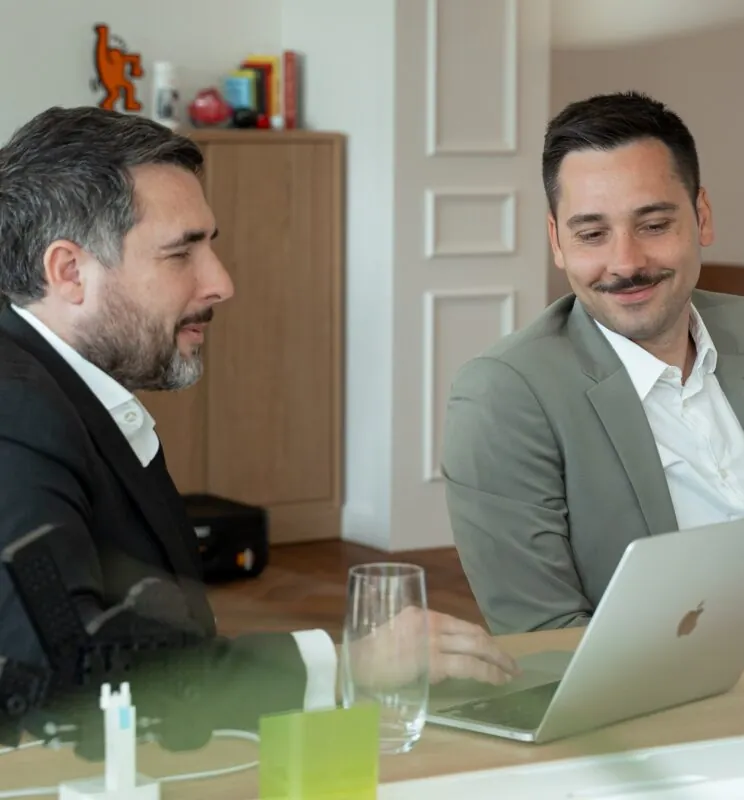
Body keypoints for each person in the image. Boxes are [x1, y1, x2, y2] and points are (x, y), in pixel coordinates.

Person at [0, 106, 518, 731]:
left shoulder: (55, 393)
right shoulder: (16, 413)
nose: (221, 282)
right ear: (69, 272)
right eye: (180, 253)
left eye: (210, 246)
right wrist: (350, 665)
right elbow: (67, 675)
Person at [442, 90, 744, 635]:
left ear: (702, 217)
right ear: (556, 240)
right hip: (673, 693)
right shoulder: (503, 395)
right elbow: (544, 637)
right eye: (592, 234)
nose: (626, 263)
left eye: (653, 225)